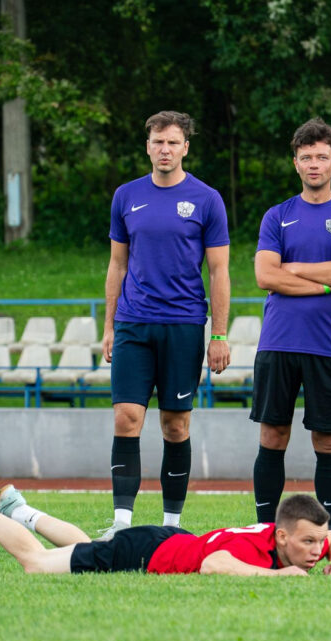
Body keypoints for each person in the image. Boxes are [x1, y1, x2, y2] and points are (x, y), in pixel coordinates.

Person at [99, 111, 231, 539]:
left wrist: (218, 334)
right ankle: (121, 524)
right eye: (158, 142)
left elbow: (219, 271)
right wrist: (109, 326)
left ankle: (172, 526)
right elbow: (117, 264)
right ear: (148, 147)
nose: (165, 150)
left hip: (183, 325)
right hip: (134, 323)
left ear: (185, 147)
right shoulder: (126, 196)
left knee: (175, 425)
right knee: (126, 418)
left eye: (173, 142)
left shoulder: (207, 199)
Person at [250, 118, 331, 529]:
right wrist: (323, 282)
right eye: (306, 157)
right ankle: (267, 531)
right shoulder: (277, 216)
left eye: (321, 157)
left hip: (328, 345)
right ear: (296, 163)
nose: (314, 164)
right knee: (273, 437)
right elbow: (265, 276)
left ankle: (326, 532)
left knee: (328, 441)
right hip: (278, 342)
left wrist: (293, 268)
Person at [0, 480, 331, 577]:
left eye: (318, 543)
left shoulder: (288, 533)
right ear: (283, 535)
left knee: (86, 546)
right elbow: (215, 565)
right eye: (309, 543)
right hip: (146, 553)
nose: (317, 550)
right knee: (36, 563)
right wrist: (280, 575)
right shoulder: (265, 551)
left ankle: (18, 510)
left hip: (170, 542)